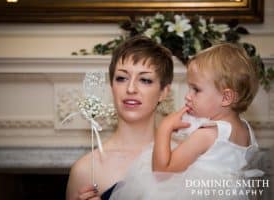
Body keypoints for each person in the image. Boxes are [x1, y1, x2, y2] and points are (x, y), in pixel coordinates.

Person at [110, 43, 264, 200]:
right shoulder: (245, 130)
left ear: (226, 98)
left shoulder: (207, 134)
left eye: (196, 90)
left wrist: (165, 127)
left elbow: (161, 171)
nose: (188, 96)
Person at [66, 35, 186, 200]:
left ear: (164, 92)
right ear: (112, 86)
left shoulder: (184, 155)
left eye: (145, 80)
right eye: (122, 78)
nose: (130, 89)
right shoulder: (85, 169)